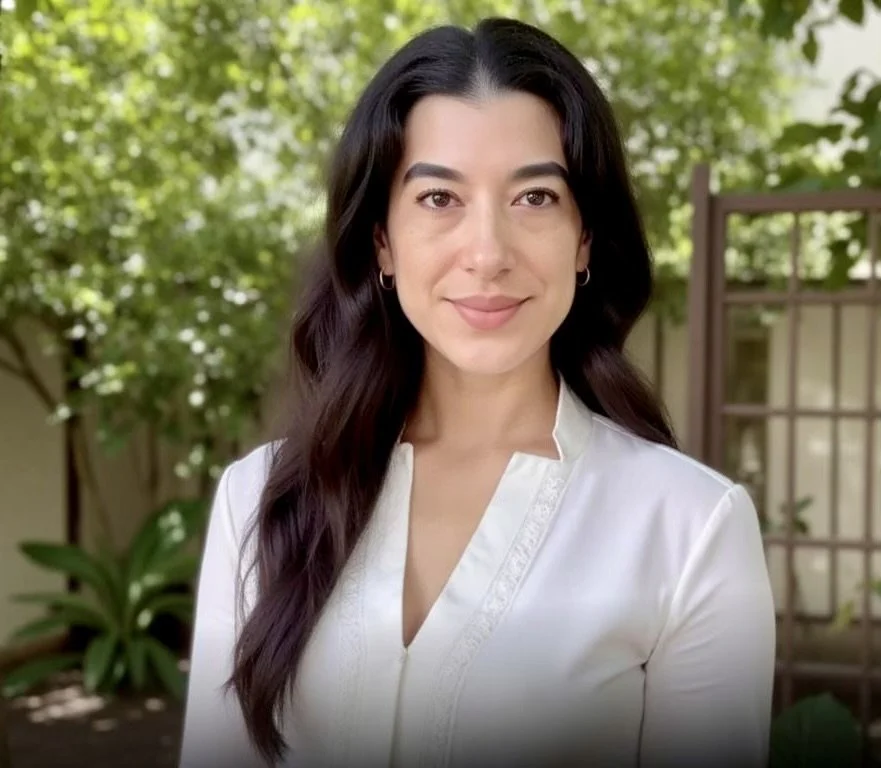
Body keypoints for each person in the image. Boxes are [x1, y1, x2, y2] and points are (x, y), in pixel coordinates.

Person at [179, 16, 775, 768]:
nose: (488, 253)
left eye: (534, 198)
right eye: (438, 199)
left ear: (585, 236)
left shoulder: (690, 529)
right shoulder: (261, 498)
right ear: (381, 241)